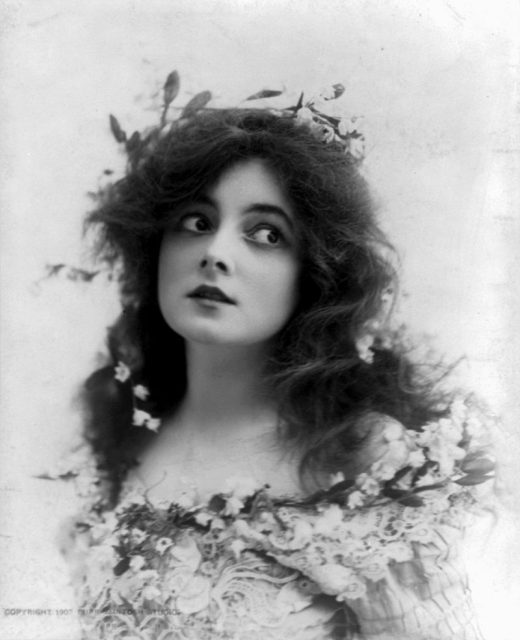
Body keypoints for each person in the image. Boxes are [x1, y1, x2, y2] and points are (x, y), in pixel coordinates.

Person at [60, 73, 494, 639]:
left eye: (266, 234)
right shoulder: (122, 431)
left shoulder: (359, 458)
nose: (215, 252)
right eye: (197, 222)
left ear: (313, 276)